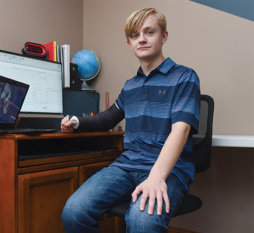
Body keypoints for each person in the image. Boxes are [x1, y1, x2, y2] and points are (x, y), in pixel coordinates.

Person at [60, 8, 201, 233]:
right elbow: (107, 119)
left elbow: (181, 131)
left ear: (163, 36)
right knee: (74, 212)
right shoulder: (130, 86)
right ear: (129, 43)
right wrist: (78, 123)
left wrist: (156, 177)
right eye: (135, 35)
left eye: (149, 32)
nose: (142, 39)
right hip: (126, 166)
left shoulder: (184, 77)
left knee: (141, 222)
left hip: (169, 171)